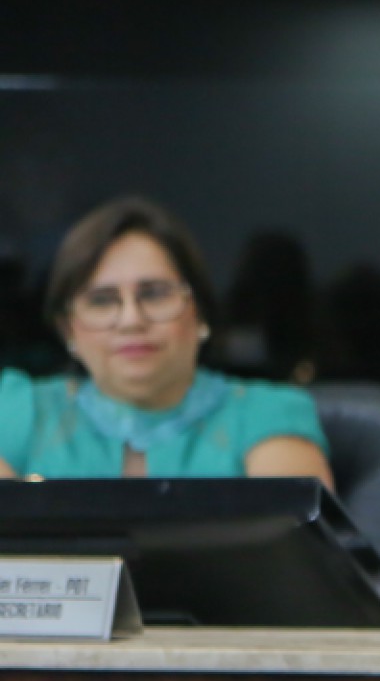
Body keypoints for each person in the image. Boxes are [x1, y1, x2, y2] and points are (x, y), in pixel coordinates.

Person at [0, 196, 332, 485]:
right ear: (68, 329)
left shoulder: (268, 412)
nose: (131, 320)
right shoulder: (18, 409)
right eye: (102, 300)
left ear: (200, 313)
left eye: (155, 294)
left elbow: (288, 537)